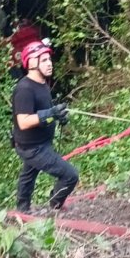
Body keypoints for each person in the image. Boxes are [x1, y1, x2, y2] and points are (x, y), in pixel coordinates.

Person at [11, 40, 78, 214]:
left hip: (40, 142)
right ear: (32, 63)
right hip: (32, 147)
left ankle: (22, 209)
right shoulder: (24, 89)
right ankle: (55, 204)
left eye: (49, 60)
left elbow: (44, 113)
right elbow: (23, 121)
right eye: (44, 60)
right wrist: (50, 114)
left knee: (28, 174)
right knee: (70, 176)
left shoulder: (42, 84)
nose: (50, 64)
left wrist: (57, 116)